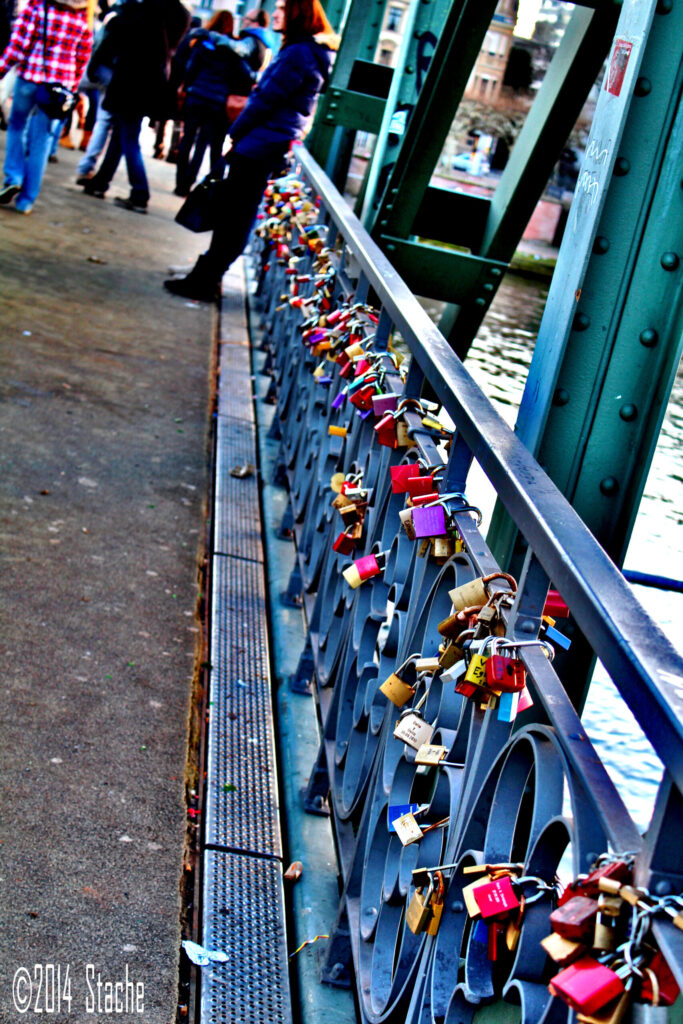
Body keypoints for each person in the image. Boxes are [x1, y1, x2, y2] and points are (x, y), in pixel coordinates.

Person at [165, 0, 338, 301]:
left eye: (283, 7)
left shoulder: (298, 53)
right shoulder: (308, 51)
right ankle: (206, 277)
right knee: (237, 214)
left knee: (234, 217)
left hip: (261, 144)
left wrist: (235, 133)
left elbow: (265, 100)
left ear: (298, 13)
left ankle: (204, 280)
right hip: (271, 142)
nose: (276, 12)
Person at [81, 0, 190, 213]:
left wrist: (96, 64)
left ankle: (140, 193)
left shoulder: (145, 10)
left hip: (131, 80)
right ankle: (101, 181)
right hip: (148, 83)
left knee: (128, 138)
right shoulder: (177, 14)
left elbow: (117, 36)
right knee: (121, 135)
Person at [0, 0, 92, 213]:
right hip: (57, 90)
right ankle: (26, 201)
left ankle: (14, 176)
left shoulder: (36, 7)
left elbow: (18, 47)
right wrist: (72, 86)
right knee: (42, 140)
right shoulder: (80, 18)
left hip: (30, 79)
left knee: (16, 126)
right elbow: (82, 57)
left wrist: (3, 68)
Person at [174, 10, 254, 197]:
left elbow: (191, 69)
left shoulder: (203, 44)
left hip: (197, 96)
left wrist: (186, 88)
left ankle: (181, 183)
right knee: (202, 143)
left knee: (187, 139)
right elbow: (240, 75)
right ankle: (190, 182)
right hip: (217, 101)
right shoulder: (233, 50)